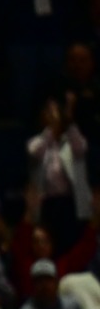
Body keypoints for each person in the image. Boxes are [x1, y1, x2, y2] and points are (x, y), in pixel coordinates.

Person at [28, 95, 90, 255]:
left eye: (55, 110)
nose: (52, 114)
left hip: (70, 203)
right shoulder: (37, 141)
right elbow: (35, 152)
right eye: (48, 111)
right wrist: (51, 130)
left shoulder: (70, 141)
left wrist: (69, 123)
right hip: (48, 204)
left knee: (72, 246)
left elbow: (81, 148)